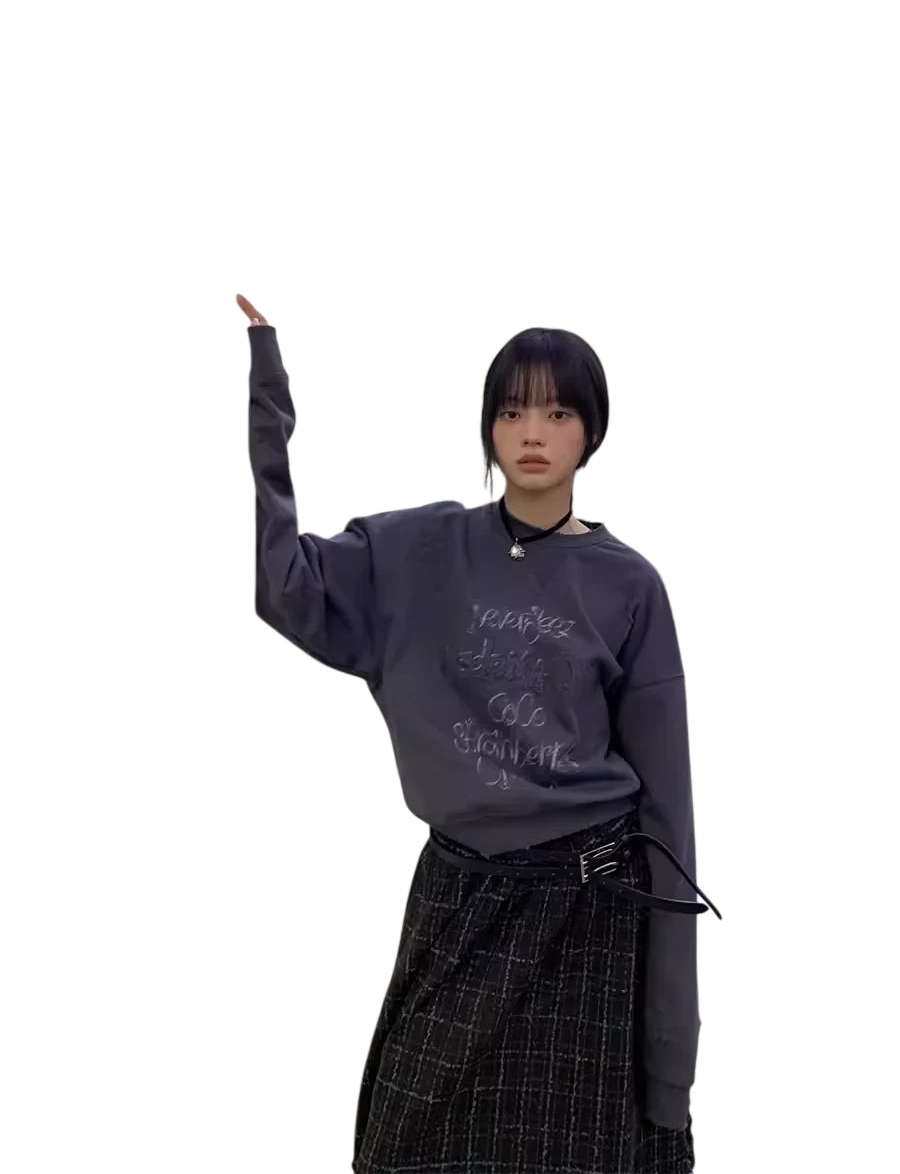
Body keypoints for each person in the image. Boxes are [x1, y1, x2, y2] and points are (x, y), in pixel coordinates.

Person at [238, 292, 722, 1174]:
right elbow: (286, 587)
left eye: (559, 412)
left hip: (590, 911)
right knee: (405, 1145)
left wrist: (669, 1060)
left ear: (592, 431)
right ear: (489, 427)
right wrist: (268, 399)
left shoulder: (630, 586)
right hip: (461, 896)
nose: (532, 432)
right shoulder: (419, 552)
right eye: (511, 411)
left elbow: (669, 811)